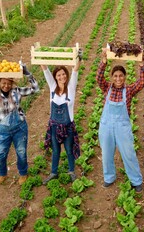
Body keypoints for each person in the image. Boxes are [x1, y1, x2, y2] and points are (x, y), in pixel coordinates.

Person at [96, 48, 144, 192]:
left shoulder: (129, 90)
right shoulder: (107, 88)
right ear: (112, 77)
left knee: (128, 153)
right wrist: (104, 61)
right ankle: (109, 177)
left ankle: (136, 180)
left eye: (121, 76)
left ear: (125, 77)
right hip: (106, 126)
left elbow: (141, 82)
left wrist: (141, 65)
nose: (118, 79)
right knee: (106, 153)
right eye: (115, 76)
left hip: (122, 127)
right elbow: (99, 78)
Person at [41, 50, 82, 185]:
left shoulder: (71, 88)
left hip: (68, 126)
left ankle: (71, 171)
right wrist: (38, 56)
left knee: (69, 150)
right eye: (59, 75)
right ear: (55, 77)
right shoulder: (52, 87)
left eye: (63, 74)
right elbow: (45, 70)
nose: (61, 76)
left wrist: (78, 58)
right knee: (56, 151)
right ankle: (53, 172)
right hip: (54, 126)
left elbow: (75, 72)